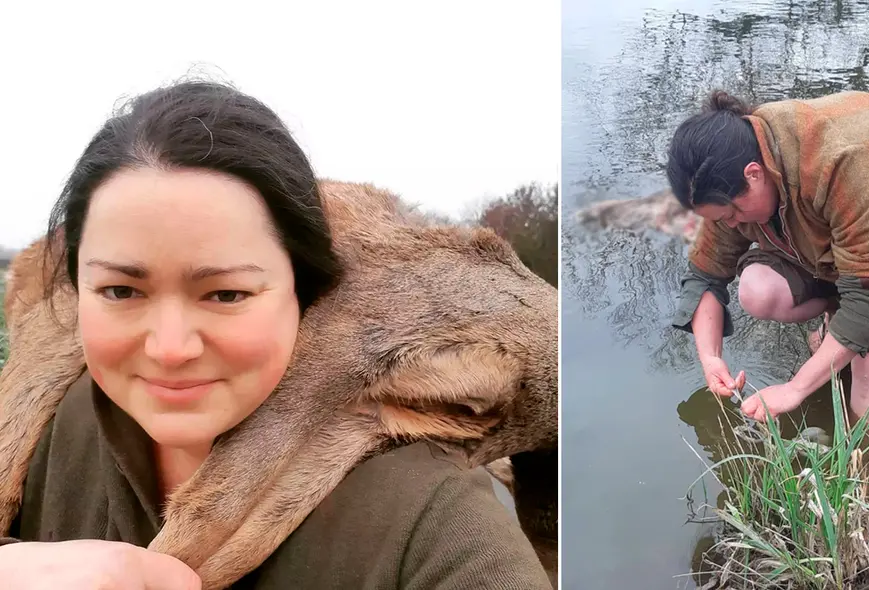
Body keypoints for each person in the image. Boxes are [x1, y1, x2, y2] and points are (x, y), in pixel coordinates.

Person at [0, 80, 551, 589]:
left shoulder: (433, 523)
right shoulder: (54, 430)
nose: (169, 349)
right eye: (121, 291)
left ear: (302, 291)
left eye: (225, 294)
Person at [667, 89, 869, 428]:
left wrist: (795, 389)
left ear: (754, 174)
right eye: (718, 218)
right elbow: (705, 275)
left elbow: (867, 298)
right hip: (846, 231)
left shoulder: (841, 161)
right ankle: (836, 321)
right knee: (758, 290)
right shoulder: (731, 165)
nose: (729, 224)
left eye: (731, 214)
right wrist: (710, 358)